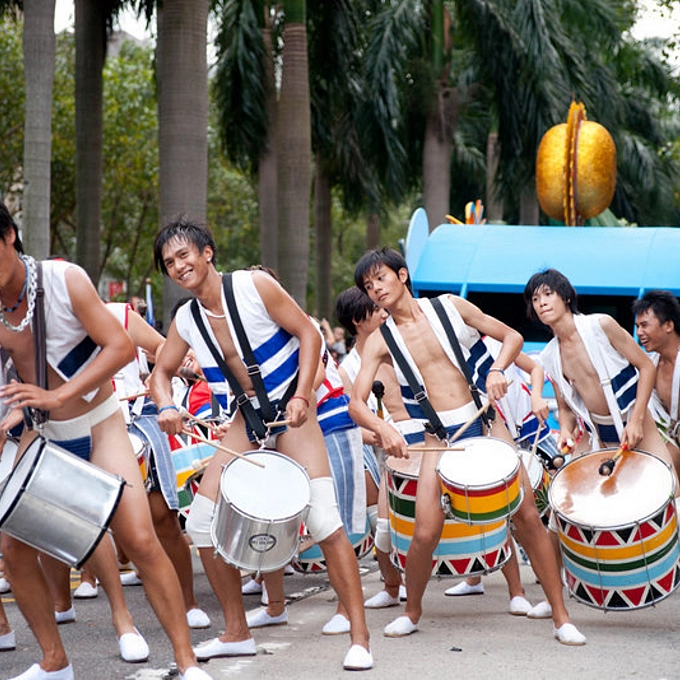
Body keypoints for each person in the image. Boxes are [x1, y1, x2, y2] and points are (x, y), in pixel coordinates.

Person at [148, 216, 372, 671]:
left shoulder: (254, 286)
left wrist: (303, 395)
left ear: (207, 253)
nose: (178, 266)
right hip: (247, 419)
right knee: (202, 523)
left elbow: (309, 333)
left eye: (184, 255)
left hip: (292, 408)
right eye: (169, 262)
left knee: (324, 518)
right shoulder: (187, 319)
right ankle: (236, 633)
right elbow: (160, 373)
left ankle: (360, 637)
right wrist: (166, 405)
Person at [0, 202, 210, 680]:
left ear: (9, 235)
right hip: (41, 434)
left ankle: (187, 661)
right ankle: (55, 661)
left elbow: (119, 347)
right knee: (14, 549)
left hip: (99, 424)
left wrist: (59, 395)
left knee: (139, 538)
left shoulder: (63, 280)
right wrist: (16, 413)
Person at [348, 247, 585, 645]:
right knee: (425, 533)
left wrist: (496, 369)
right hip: (438, 438)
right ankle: (412, 611)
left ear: (402, 275)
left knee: (527, 517)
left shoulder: (450, 306)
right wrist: (382, 428)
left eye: (381, 279)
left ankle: (561, 618)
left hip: (486, 424)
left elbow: (512, 336)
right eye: (368, 286)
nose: (376, 289)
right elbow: (355, 403)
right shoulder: (379, 340)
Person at [525, 269, 678, 477]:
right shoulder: (550, 356)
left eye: (548, 294)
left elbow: (646, 367)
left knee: (668, 487)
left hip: (634, 420)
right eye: (535, 299)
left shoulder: (600, 326)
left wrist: (636, 421)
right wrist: (566, 430)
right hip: (598, 433)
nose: (542, 303)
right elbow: (565, 409)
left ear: (566, 297)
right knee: (571, 490)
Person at [335, 286, 407, 608]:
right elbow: (349, 421)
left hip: (414, 442)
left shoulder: (400, 347)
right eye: (376, 309)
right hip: (375, 452)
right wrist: (379, 433)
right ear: (357, 320)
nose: (383, 313)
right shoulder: (347, 368)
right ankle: (392, 587)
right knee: (382, 525)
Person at [632, 290, 680, 477]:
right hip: (672, 442)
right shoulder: (649, 366)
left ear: (668, 325)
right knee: (656, 470)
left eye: (644, 325)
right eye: (637, 326)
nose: (639, 333)